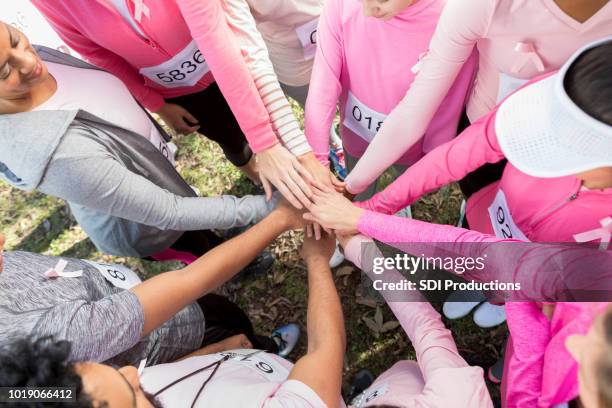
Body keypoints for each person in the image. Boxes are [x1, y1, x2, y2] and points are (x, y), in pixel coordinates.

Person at [347, 36, 612, 326]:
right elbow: (457, 155)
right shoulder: (552, 101)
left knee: (512, 293)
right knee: (478, 267)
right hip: (485, 219)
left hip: (537, 287)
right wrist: (374, 208)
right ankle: (479, 285)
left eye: (567, 154)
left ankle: (501, 301)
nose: (557, 163)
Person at [0, 24, 275, 263]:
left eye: (14, 39)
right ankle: (236, 265)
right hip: (148, 227)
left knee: (199, 225)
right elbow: (169, 213)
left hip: (162, 186)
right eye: (3, 71)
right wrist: (272, 209)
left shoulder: (33, 62)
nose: (26, 61)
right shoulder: (53, 152)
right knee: (200, 249)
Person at [0, 233, 346, 407]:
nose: (133, 371)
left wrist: (215, 352)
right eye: (134, 393)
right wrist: (316, 261)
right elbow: (323, 352)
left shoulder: (117, 390)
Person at [31, 0, 319, 209]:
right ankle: (265, 182)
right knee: (230, 139)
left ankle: (300, 179)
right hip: (179, 93)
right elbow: (98, 54)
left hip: (231, 60)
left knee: (269, 125)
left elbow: (216, 39)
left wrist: (266, 141)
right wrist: (156, 104)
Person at [344, 0, 612, 200]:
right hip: (483, 139)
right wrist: (352, 187)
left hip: (584, 156)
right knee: (481, 207)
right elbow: (416, 107)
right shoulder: (480, 5)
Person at [0, 198, 304, 368]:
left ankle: (266, 347)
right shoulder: (45, 335)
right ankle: (270, 360)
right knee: (244, 350)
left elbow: (31, 394)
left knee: (236, 323)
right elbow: (191, 280)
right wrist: (279, 220)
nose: (3, 240)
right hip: (179, 346)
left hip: (162, 310)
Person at [304, 0, 475, 200]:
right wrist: (317, 162)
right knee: (358, 192)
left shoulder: (453, 20)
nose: (367, 12)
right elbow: (322, 88)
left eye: (382, 0)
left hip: (410, 149)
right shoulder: (343, 5)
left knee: (402, 190)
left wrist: (433, 159)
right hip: (355, 136)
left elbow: (450, 103)